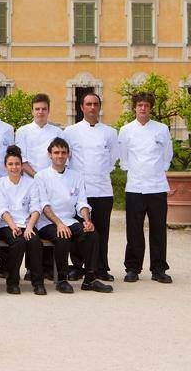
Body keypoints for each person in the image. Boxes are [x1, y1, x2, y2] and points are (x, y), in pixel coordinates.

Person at [34, 138, 112, 294]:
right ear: (50, 154)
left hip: (69, 220)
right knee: (62, 235)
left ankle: (90, 279)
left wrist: (87, 221)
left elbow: (81, 203)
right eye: (56, 152)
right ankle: (62, 280)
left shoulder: (76, 176)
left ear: (68, 155)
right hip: (47, 222)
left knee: (92, 234)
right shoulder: (41, 176)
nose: (60, 156)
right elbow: (44, 206)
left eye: (63, 153)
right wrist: (59, 224)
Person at [62, 92, 119, 281]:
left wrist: (100, 173)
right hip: (79, 190)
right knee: (79, 230)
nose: (92, 107)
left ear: (100, 107)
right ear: (81, 107)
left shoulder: (110, 132)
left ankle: (101, 268)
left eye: (95, 104)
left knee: (101, 230)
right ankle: (77, 266)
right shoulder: (70, 132)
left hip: (102, 189)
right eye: (88, 104)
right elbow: (66, 158)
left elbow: (113, 158)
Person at [119, 92, 173, 284]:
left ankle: (159, 269)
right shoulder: (125, 130)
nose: (143, 108)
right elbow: (123, 157)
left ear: (151, 108)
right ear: (134, 107)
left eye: (146, 105)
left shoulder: (162, 129)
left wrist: (158, 171)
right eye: (140, 105)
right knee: (134, 230)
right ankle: (133, 268)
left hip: (157, 186)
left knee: (158, 229)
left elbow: (167, 154)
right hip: (135, 186)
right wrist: (135, 172)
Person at [0, 145, 46, 295]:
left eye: (17, 164)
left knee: (34, 241)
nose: (14, 167)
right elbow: (2, 209)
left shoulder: (31, 183)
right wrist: (13, 226)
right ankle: (12, 282)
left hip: (27, 223)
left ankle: (38, 283)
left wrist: (29, 227)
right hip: (7, 224)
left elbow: (36, 207)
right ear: (5, 166)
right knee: (18, 242)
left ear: (22, 166)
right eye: (10, 164)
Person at [16, 93, 62, 177]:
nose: (40, 112)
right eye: (37, 109)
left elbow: (62, 158)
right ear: (32, 111)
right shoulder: (22, 131)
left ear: (48, 111)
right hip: (29, 180)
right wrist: (37, 177)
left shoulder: (58, 132)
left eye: (44, 109)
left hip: (53, 178)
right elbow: (21, 159)